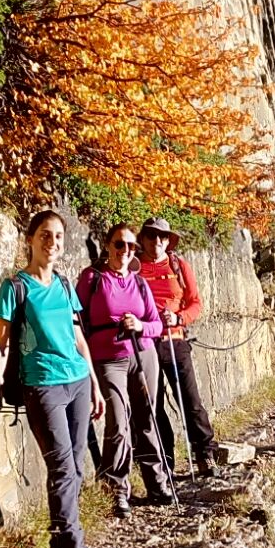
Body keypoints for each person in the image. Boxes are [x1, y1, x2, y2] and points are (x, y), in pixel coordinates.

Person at [0, 210, 105, 548]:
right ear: (29, 239)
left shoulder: (64, 285)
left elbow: (78, 339)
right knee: (62, 466)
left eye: (58, 236)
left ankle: (66, 546)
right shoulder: (15, 288)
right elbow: (0, 342)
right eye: (45, 234)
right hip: (43, 385)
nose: (52, 242)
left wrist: (94, 384)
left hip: (78, 381)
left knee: (76, 466)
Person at [76, 223, 175, 518]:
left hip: (143, 353)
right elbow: (77, 320)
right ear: (108, 245)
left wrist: (141, 325)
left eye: (132, 246)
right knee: (118, 422)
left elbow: (156, 324)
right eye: (120, 244)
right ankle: (116, 489)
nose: (126, 250)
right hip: (108, 359)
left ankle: (156, 482)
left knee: (147, 418)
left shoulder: (139, 283)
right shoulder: (92, 278)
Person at [138, 217, 218, 479]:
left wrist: (178, 318)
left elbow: (195, 303)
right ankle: (165, 462)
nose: (157, 241)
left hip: (175, 340)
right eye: (151, 236)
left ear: (168, 241)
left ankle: (205, 453)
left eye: (162, 236)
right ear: (143, 239)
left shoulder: (178, 265)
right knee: (154, 405)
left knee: (190, 399)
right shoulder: (134, 267)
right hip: (146, 343)